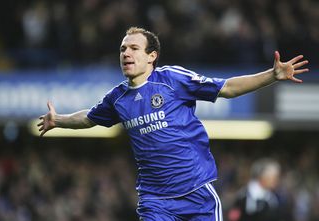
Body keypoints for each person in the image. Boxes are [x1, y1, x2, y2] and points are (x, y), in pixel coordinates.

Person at [38, 27, 309, 221]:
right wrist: (59, 120)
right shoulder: (117, 98)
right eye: (122, 49)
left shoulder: (172, 79)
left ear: (151, 56)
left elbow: (227, 88)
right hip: (155, 201)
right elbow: (89, 118)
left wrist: (272, 76)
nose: (126, 53)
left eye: (133, 48)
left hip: (197, 194)